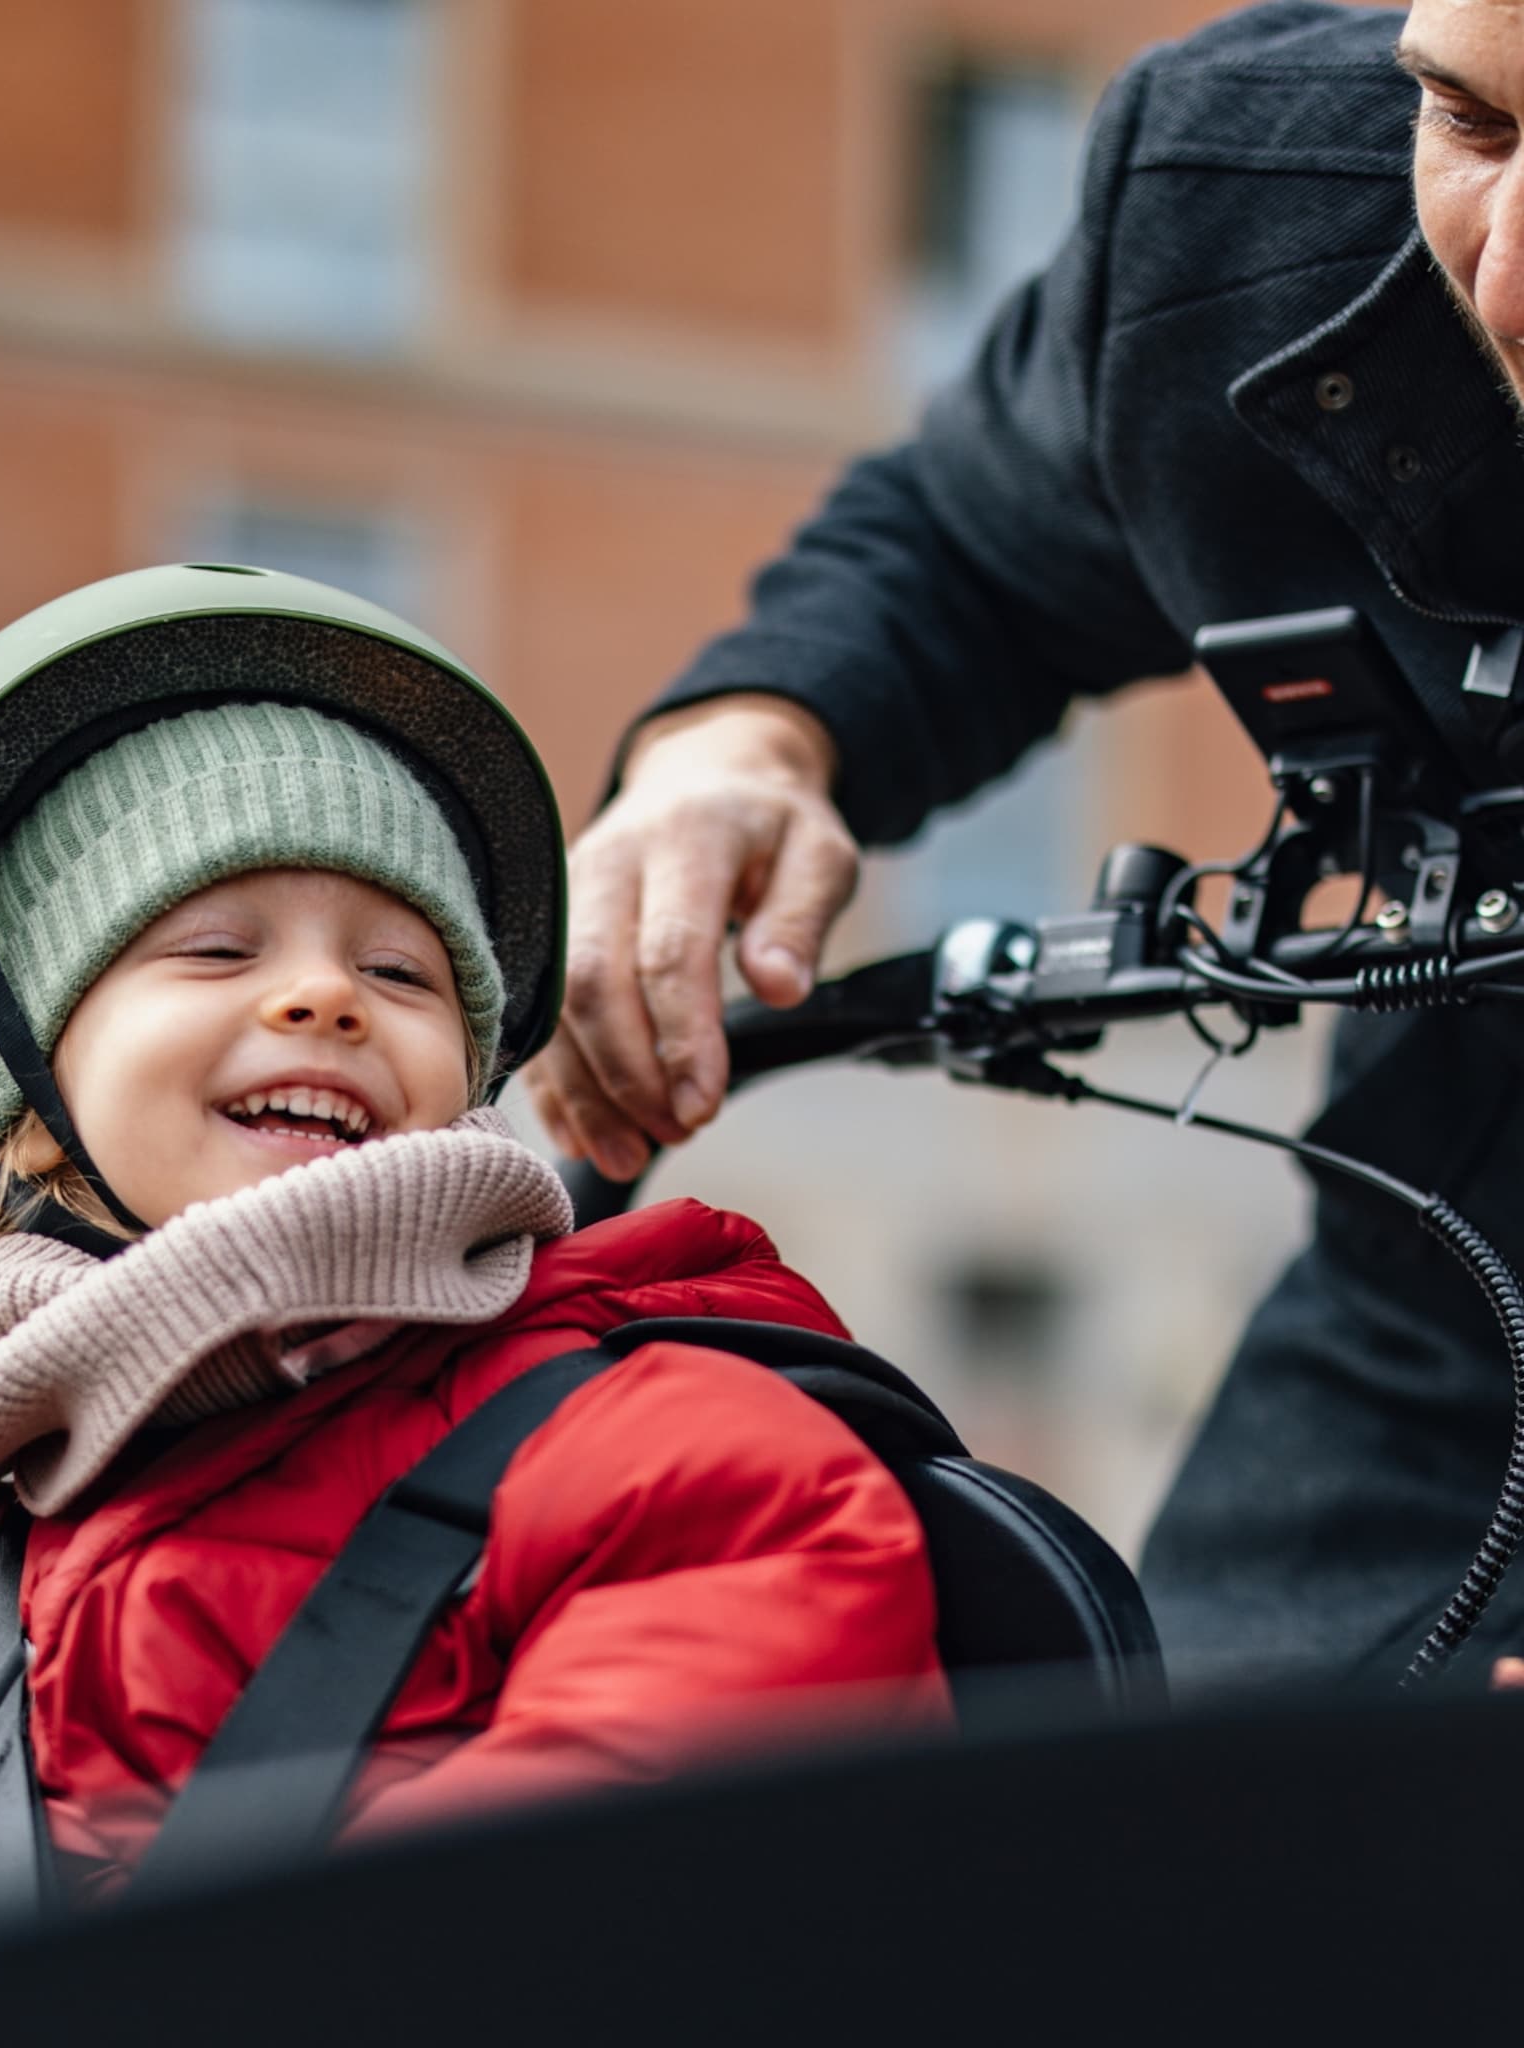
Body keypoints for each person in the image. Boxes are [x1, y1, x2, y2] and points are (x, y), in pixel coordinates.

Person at [0, 566, 946, 1933]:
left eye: (401, 970)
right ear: (21, 1100)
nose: (325, 998)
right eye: (216, 948)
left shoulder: (680, 1467)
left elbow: (589, 1937)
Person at [524, 0, 1524, 1689]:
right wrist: (750, 746)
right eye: (1472, 121)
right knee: (1180, 1878)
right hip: (1446, 1279)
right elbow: (972, 549)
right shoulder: (1240, 205)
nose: (1501, 285)